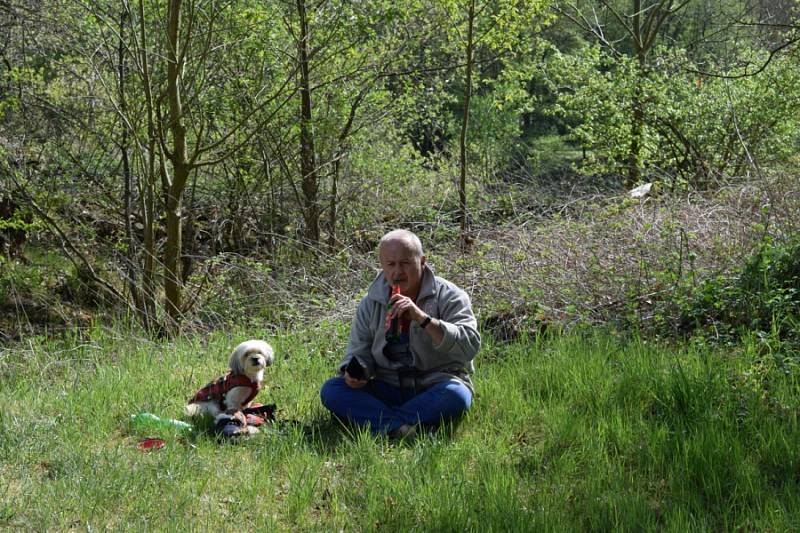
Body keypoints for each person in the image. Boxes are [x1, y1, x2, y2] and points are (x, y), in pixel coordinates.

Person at [320, 229, 481, 439]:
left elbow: (469, 346)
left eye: (405, 263)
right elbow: (358, 352)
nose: (397, 272)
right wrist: (356, 373)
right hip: (388, 386)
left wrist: (422, 318)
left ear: (422, 261)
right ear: (382, 266)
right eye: (391, 264)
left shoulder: (450, 296)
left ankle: (381, 424)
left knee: (456, 395)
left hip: (433, 385)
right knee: (332, 390)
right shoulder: (371, 302)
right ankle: (404, 428)